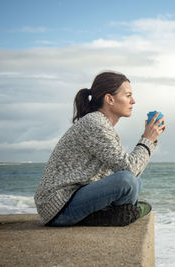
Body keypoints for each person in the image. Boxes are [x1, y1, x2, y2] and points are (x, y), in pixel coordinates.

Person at [34, 71, 165, 226]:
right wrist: (147, 139)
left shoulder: (101, 124)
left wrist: (149, 140)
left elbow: (131, 170)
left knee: (135, 182)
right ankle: (121, 213)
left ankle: (114, 213)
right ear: (109, 99)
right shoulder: (94, 123)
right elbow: (129, 169)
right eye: (128, 96)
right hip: (59, 208)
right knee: (127, 181)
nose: (133, 101)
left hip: (73, 199)